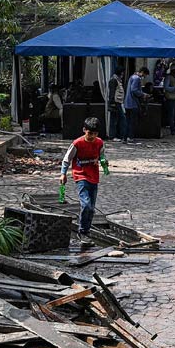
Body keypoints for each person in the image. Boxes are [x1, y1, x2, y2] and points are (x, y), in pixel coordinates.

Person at [61, 117, 108, 247]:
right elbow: (67, 159)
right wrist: (63, 174)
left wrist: (104, 163)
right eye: (89, 133)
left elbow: (102, 155)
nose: (92, 136)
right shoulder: (77, 143)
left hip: (94, 177)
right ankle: (82, 231)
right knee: (86, 204)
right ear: (84, 130)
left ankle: (86, 230)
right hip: (80, 176)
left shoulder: (99, 143)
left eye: (95, 133)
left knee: (91, 209)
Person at [124, 67, 148, 144]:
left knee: (128, 121)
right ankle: (130, 137)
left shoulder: (132, 76)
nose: (144, 77)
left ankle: (126, 137)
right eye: (145, 75)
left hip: (127, 103)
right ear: (142, 72)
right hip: (133, 103)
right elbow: (134, 90)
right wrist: (142, 94)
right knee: (132, 121)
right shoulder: (137, 78)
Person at [107, 67, 126, 141]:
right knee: (115, 119)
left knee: (118, 119)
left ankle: (118, 135)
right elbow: (112, 92)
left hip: (118, 102)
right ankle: (113, 136)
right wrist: (112, 103)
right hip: (115, 102)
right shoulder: (114, 80)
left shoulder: (118, 80)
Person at [163, 66, 175, 135]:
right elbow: (166, 87)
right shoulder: (168, 77)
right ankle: (172, 129)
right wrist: (174, 88)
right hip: (170, 98)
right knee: (171, 115)